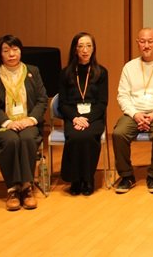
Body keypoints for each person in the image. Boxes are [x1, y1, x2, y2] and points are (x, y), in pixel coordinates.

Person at [0, 34, 48, 211]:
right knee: (11, 140)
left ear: (20, 51)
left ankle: (26, 188)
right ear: (0, 54)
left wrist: (30, 119)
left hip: (27, 122)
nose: (11, 54)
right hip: (2, 125)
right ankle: (13, 189)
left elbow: (42, 100)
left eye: (15, 49)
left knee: (26, 138)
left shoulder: (33, 71)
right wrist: (7, 122)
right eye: (6, 50)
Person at [112, 28, 153, 194]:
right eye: (142, 41)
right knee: (118, 133)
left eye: (150, 41)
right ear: (138, 43)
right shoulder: (129, 67)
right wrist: (135, 114)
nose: (146, 45)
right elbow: (122, 96)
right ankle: (127, 176)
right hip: (134, 113)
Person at [57, 31, 108, 196]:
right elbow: (63, 103)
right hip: (73, 116)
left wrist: (86, 119)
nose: (85, 50)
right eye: (81, 46)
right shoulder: (66, 73)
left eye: (88, 46)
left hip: (94, 117)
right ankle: (75, 179)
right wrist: (75, 118)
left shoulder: (101, 72)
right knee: (75, 137)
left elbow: (102, 103)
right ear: (75, 49)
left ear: (93, 49)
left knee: (88, 136)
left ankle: (88, 178)